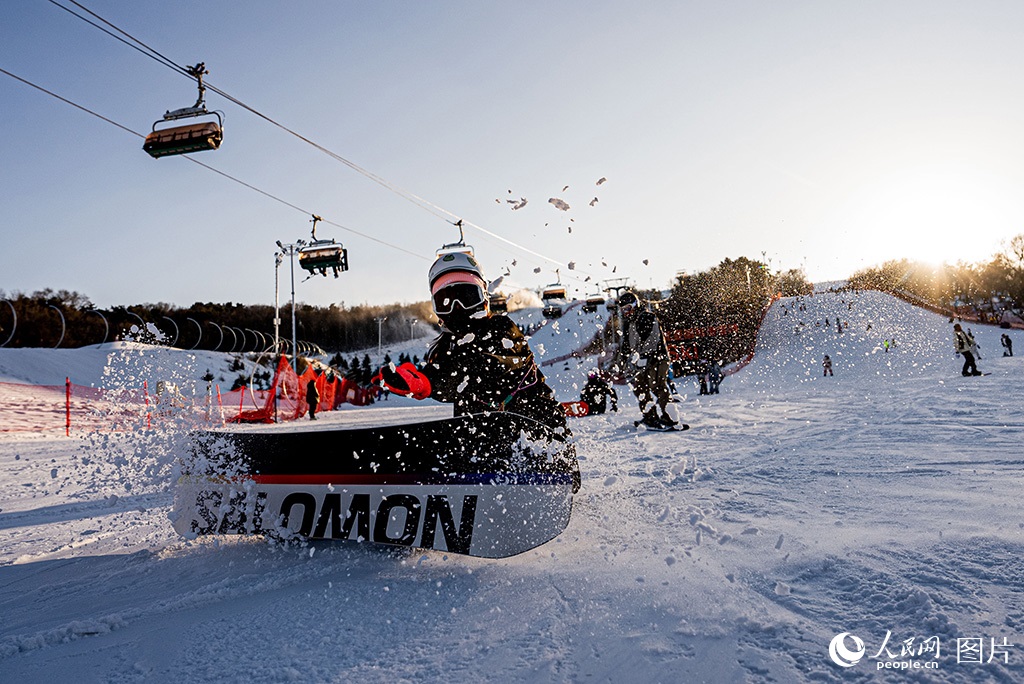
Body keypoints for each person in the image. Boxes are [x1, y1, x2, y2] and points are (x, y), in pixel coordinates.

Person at [376, 251, 569, 438]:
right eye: (446, 301)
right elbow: (450, 383)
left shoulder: (502, 330)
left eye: (467, 296)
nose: (457, 307)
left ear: (484, 298)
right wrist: (418, 381)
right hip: (484, 448)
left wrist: (429, 381)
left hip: (544, 439)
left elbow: (480, 365)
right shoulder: (449, 350)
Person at [614, 290, 677, 430]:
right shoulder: (629, 323)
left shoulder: (647, 317)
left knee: (657, 386)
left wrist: (644, 356)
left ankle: (670, 417)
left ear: (635, 305)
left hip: (657, 358)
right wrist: (621, 363)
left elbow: (652, 339)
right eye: (623, 310)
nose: (626, 312)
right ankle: (650, 416)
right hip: (641, 362)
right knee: (640, 388)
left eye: (628, 308)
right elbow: (625, 346)